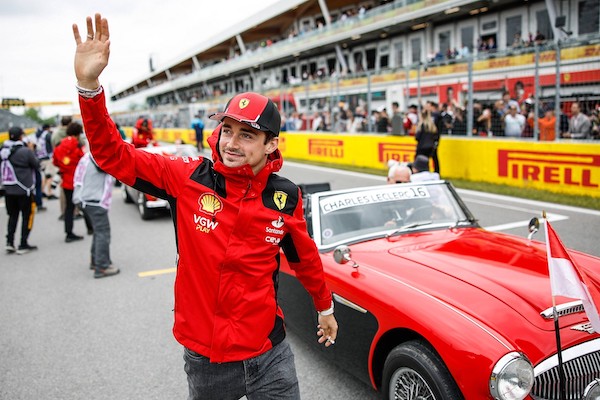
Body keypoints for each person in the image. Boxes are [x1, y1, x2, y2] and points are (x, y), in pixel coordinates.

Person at [72, 13, 337, 399]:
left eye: (247, 134)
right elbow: (113, 155)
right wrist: (89, 87)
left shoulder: (287, 195)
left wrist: (325, 307)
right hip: (207, 360)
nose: (231, 142)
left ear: (271, 145)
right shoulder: (187, 177)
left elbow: (305, 257)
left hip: (270, 352)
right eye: (227, 129)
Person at [73, 152, 119, 278]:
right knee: (103, 233)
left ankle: (95, 261)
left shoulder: (87, 156)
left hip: (82, 198)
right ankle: (102, 267)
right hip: (93, 200)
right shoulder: (100, 156)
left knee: (98, 232)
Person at [1, 127, 40, 254]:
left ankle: (9, 242)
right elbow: (36, 165)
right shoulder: (25, 151)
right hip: (24, 190)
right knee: (27, 216)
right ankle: (23, 243)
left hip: (8, 189)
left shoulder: (3, 151)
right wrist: (32, 149)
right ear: (21, 137)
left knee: (12, 216)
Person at [53, 121, 89, 242]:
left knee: (69, 208)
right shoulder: (77, 145)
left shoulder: (59, 145)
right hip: (78, 180)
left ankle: (69, 233)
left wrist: (64, 167)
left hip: (66, 181)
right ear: (78, 133)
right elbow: (84, 161)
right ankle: (90, 227)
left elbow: (55, 162)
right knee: (84, 204)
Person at [415, 109, 440, 175]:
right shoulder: (432, 125)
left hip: (421, 147)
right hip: (430, 147)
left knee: (419, 162)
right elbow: (436, 136)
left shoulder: (421, 125)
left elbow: (417, 137)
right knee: (428, 161)